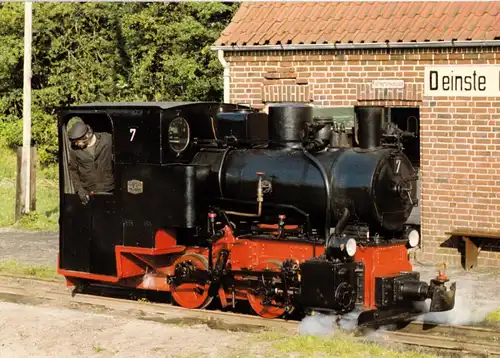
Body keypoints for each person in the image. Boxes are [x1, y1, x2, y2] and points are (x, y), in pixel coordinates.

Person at [67, 121, 115, 205]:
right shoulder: (74, 150)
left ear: (86, 136)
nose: (75, 144)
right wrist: (80, 190)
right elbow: (73, 170)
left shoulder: (107, 139)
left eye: (77, 141)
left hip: (108, 189)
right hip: (88, 191)